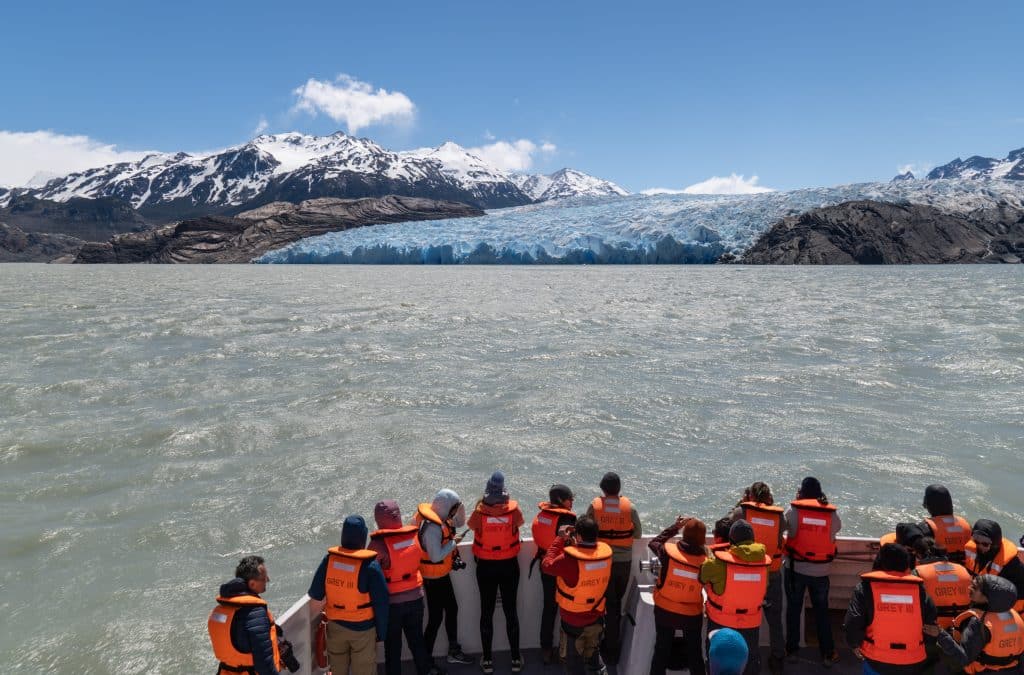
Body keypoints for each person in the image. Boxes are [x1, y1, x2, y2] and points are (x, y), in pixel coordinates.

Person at [307, 515, 389, 675]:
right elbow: (382, 602)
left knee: (337, 671)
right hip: (363, 630)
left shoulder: (329, 560)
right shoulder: (370, 565)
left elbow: (315, 594)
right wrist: (381, 632)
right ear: (363, 536)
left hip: (336, 628)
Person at [369, 500, 441, 675]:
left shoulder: (377, 545)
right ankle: (425, 671)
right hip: (416, 598)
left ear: (379, 519)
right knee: (417, 641)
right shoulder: (413, 536)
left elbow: (368, 573)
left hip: (392, 604)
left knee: (392, 647)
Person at [843, 543, 938, 675]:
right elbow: (931, 627)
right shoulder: (920, 591)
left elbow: (853, 623)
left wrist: (854, 644)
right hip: (913, 661)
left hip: (875, 660)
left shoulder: (865, 588)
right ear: (906, 565)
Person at [468, 470, 524, 674]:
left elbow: (472, 527)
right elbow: (519, 524)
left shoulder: (479, 512)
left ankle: (488, 660)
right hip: (509, 566)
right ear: (503, 490)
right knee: (511, 611)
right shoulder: (513, 511)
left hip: (486, 567)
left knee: (486, 611)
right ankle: (516, 659)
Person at [542, 515, 613, 675]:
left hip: (573, 621)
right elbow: (589, 559)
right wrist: (577, 545)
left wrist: (560, 540)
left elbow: (546, 565)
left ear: (578, 535)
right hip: (596, 617)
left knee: (573, 663)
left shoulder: (569, 560)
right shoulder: (606, 555)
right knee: (594, 655)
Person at [784, 476, 842, 668]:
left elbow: (784, 528)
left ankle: (792, 650)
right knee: (821, 613)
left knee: (793, 610)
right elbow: (837, 528)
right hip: (821, 571)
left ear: (801, 492)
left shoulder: (793, 511)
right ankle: (827, 653)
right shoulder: (831, 514)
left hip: (796, 569)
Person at [700, 519, 771, 675]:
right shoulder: (764, 565)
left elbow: (703, 575)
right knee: (750, 662)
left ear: (731, 541)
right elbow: (764, 587)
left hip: (721, 623)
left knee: (718, 664)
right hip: (751, 623)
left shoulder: (718, 564)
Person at [587, 471, 642, 664]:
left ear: (602, 488)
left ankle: (599, 646)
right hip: (623, 564)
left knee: (598, 603)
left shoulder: (595, 507)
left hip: (601, 562)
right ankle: (612, 648)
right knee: (615, 603)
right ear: (619, 489)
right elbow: (637, 534)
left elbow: (586, 531)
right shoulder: (631, 508)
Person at [731, 481, 786, 673]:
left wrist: (740, 502)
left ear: (750, 496)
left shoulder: (742, 513)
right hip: (772, 573)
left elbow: (728, 525)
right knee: (775, 619)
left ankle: (747, 657)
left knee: (747, 618)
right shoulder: (780, 516)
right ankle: (778, 657)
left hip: (749, 575)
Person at [416, 489, 473, 666]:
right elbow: (435, 556)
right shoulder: (432, 528)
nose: (455, 513)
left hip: (440, 575)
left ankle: (452, 650)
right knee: (435, 619)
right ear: (447, 507)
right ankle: (426, 661)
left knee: (451, 609)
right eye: (454, 508)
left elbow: (458, 524)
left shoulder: (437, 520)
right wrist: (453, 543)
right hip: (433, 578)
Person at [208, 555, 288, 675]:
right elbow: (264, 665)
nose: (268, 580)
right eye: (264, 578)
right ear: (252, 584)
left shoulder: (221, 609)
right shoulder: (255, 613)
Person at [929, 574, 1024, 674]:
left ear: (987, 597)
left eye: (974, 587)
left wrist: (940, 634)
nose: (969, 588)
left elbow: (963, 658)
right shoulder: (1015, 616)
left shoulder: (978, 622)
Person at [649, 516, 708, 675]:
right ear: (703, 539)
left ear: (684, 534)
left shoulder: (667, 553)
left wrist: (675, 526)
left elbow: (654, 542)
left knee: (661, 652)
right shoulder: (706, 562)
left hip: (664, 610)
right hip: (691, 615)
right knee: (695, 655)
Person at [911, 536, 972, 674]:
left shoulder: (918, 573)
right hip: (959, 633)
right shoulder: (963, 571)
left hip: (931, 633)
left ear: (919, 555)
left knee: (925, 665)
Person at [531, 483, 577, 665]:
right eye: (569, 498)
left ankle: (546, 649)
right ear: (560, 501)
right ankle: (565, 651)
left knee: (549, 608)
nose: (572, 501)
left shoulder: (541, 515)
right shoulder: (567, 520)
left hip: (544, 565)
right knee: (567, 608)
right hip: (561, 567)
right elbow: (572, 545)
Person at [963, 520, 1024, 613]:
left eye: (985, 544)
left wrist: (990, 596)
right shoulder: (971, 550)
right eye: (976, 541)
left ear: (995, 544)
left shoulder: (1011, 564)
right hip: (978, 600)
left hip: (1005, 610)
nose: (979, 546)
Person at [920, 485, 972, 564]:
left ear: (927, 503)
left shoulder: (926, 527)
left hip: (937, 573)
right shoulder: (966, 525)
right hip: (963, 573)